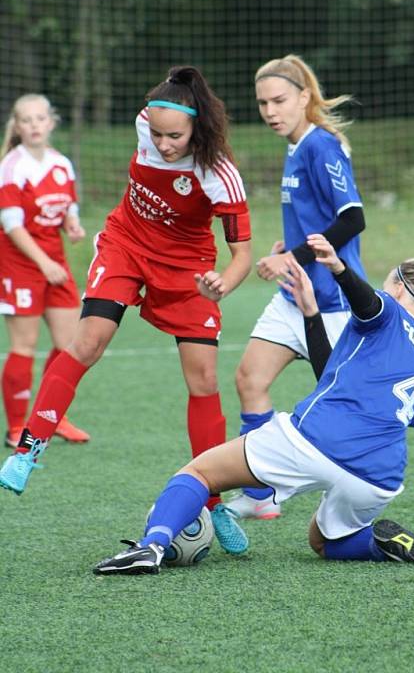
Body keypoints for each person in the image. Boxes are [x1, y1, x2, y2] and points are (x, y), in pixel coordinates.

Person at [91, 236, 414, 575]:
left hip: (318, 441)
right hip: (379, 477)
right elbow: (328, 375)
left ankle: (152, 545)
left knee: (199, 473)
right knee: (325, 544)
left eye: (387, 282)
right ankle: (380, 544)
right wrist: (310, 313)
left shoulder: (386, 310)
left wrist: (338, 268)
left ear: (401, 289)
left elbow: (367, 301)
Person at [228, 54, 414, 520]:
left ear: (304, 97)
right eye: (262, 103)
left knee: (360, 401)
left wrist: (288, 257)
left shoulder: (321, 146)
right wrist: (290, 246)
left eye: (279, 100)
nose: (270, 111)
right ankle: (259, 496)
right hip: (295, 291)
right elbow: (318, 219)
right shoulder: (294, 147)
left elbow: (353, 219)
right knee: (249, 379)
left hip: (332, 297)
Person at [0, 66, 252, 554]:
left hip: (188, 269)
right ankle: (29, 449)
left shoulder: (218, 173)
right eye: (155, 133)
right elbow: (164, 100)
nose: (162, 143)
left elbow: (241, 253)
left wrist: (223, 282)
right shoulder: (146, 125)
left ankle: (215, 501)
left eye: (174, 135)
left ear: (198, 127)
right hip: (126, 246)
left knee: (202, 380)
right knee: (87, 341)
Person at [0, 94, 89, 449]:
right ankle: (17, 426)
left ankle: (53, 417)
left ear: (52, 122)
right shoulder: (11, 166)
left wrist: (73, 226)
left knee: (70, 344)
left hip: (54, 262)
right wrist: (44, 263)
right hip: (21, 263)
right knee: (24, 344)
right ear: (17, 127)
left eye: (41, 118)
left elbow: (68, 206)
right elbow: (12, 226)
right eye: (27, 120)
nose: (35, 125)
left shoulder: (61, 163)